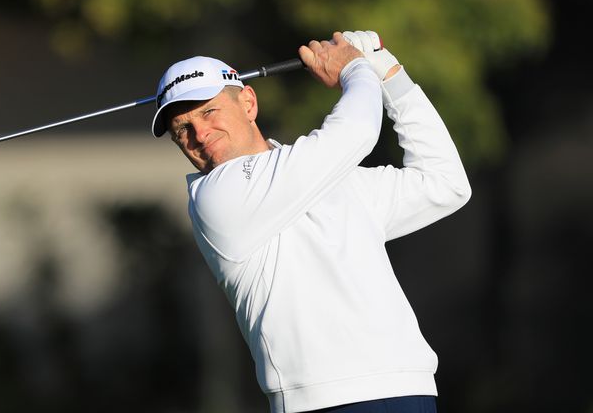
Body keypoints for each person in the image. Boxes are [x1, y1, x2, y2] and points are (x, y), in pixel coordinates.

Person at [149, 30, 471, 413]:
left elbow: (445, 183)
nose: (199, 134)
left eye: (208, 111)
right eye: (181, 130)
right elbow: (356, 131)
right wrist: (354, 67)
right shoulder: (216, 197)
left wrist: (388, 71)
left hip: (409, 386)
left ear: (248, 103)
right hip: (322, 401)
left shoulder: (321, 172)